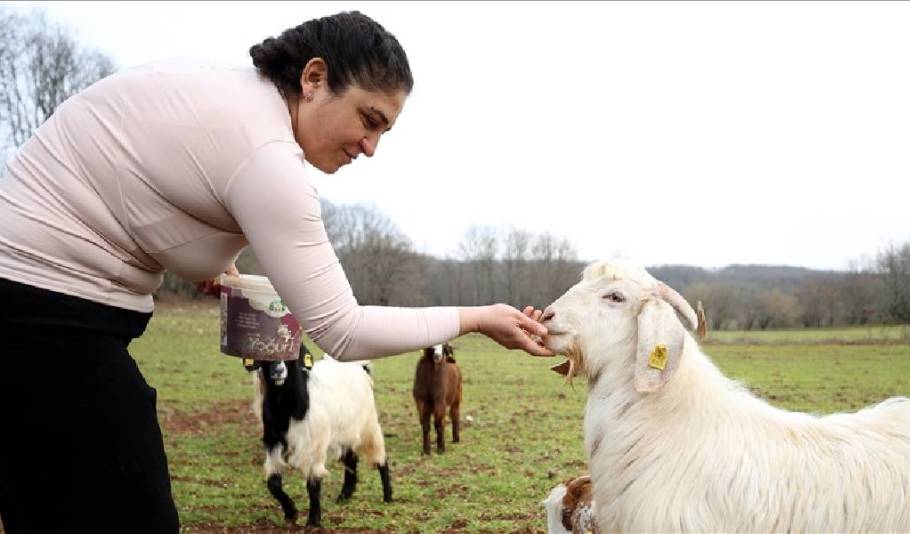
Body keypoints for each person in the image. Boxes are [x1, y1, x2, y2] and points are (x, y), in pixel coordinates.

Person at [0, 10, 551, 534]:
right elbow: (343, 330)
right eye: (368, 120)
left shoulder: (237, 102)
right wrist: (477, 318)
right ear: (314, 78)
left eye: (384, 131)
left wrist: (209, 261)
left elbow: (136, 185)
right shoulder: (268, 156)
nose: (371, 147)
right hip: (42, 319)